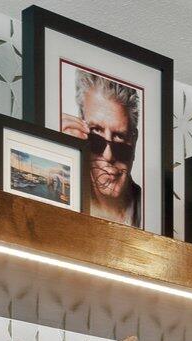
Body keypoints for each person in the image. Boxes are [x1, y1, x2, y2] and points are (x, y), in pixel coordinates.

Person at [61, 68, 143, 228]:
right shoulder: (65, 199)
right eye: (96, 138)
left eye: (120, 137)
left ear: (134, 140)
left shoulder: (151, 211)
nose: (109, 156)